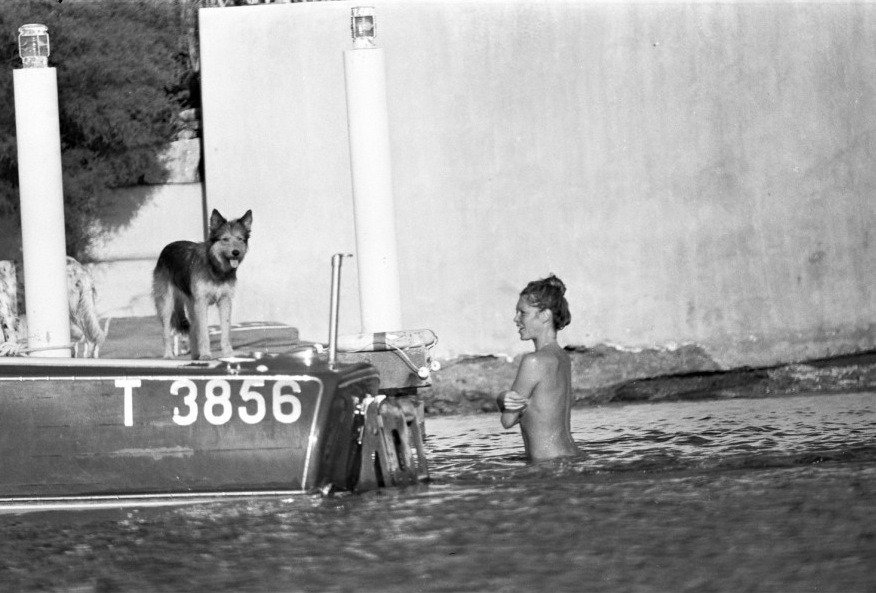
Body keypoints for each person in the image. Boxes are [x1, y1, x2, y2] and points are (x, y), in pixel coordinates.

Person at [497, 274, 579, 461]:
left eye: (522, 312)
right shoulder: (562, 357)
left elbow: (508, 420)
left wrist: (501, 397)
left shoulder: (534, 361)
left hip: (549, 466)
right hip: (571, 457)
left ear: (545, 316)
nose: (515, 319)